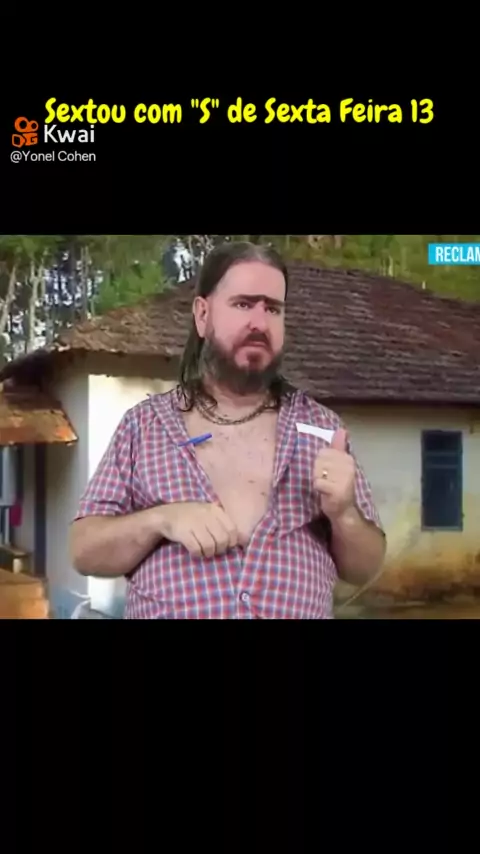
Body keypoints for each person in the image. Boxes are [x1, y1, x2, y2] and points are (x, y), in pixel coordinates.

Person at [69, 240, 386, 618]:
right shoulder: (143, 427)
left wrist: (344, 513)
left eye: (273, 308)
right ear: (203, 315)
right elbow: (84, 550)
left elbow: (365, 568)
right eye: (243, 304)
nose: (260, 323)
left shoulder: (321, 430)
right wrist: (161, 519)